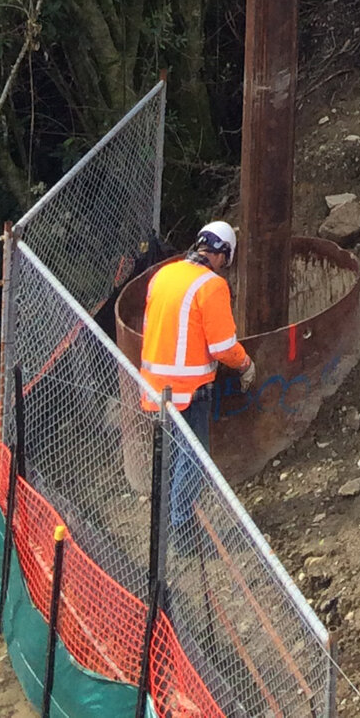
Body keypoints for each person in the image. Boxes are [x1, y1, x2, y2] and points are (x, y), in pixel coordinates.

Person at [139, 220, 255, 525]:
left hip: (154, 385)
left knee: (171, 457)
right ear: (223, 254)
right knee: (193, 458)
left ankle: (163, 523)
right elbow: (223, 346)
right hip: (188, 389)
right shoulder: (212, 285)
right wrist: (245, 364)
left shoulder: (164, 275)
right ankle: (183, 528)